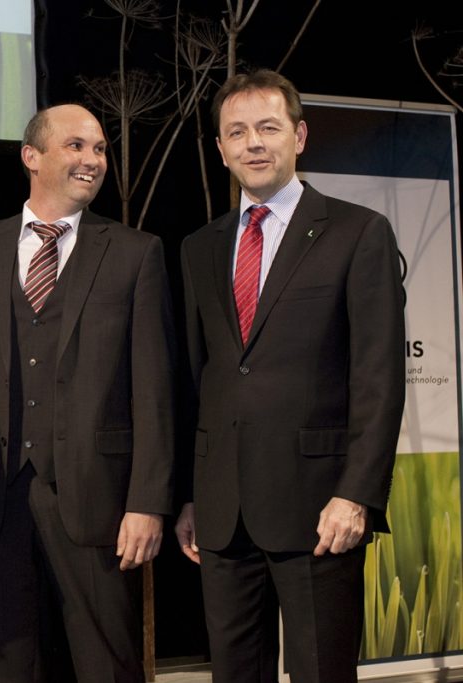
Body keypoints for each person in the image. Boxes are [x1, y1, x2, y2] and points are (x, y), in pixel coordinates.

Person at [175, 70, 405, 682]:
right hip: (223, 511)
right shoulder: (199, 247)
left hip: (319, 506)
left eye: (268, 128)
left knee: (320, 671)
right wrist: (191, 494)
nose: (253, 143)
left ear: (299, 136)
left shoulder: (359, 233)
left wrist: (357, 493)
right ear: (221, 148)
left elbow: (379, 377)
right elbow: (202, 378)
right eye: (237, 132)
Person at [0, 103, 176, 682]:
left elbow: (155, 388)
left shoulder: (135, 253)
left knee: (108, 664)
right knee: (8, 665)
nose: (92, 160)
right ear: (31, 156)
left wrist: (148, 501)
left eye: (98, 149)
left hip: (100, 500)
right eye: (76, 146)